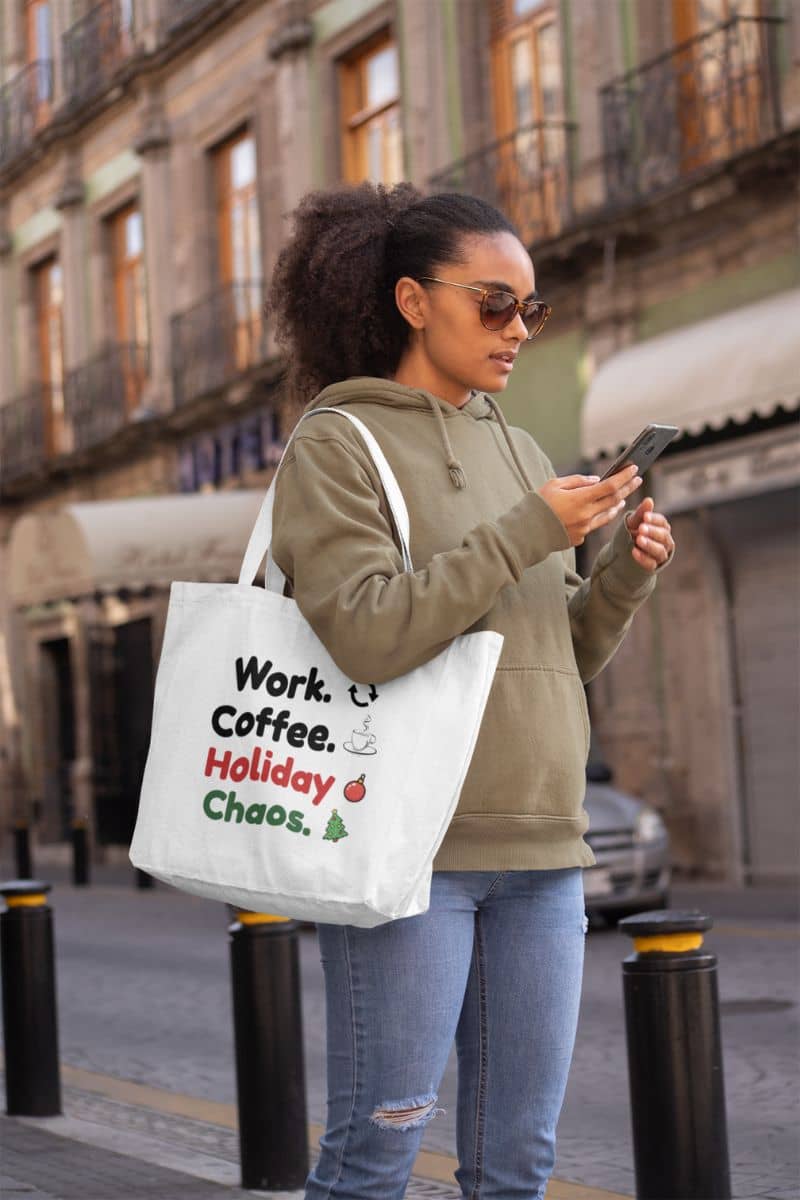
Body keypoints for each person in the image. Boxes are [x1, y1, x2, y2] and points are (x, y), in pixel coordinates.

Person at [267, 181, 675, 1200]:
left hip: (543, 851)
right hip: (413, 858)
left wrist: (619, 574)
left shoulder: (520, 450)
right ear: (412, 302)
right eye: (493, 304)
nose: (516, 331)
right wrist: (529, 530)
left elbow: (557, 656)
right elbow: (365, 633)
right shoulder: (336, 444)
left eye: (529, 309)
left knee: (515, 1167)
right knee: (373, 1161)